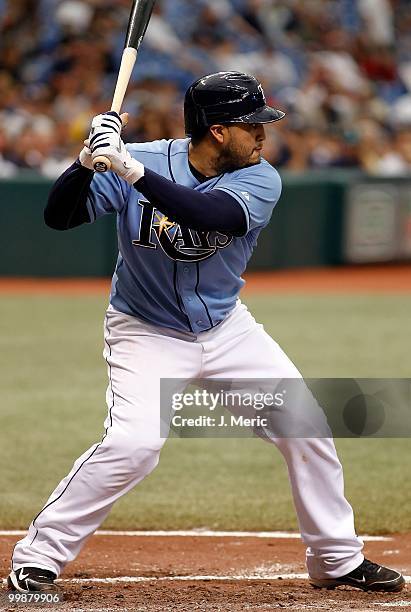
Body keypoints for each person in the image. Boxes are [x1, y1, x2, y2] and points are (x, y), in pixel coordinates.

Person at [8, 72, 404, 595]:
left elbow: (208, 213)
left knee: (305, 424)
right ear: (217, 130)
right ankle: (37, 558)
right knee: (134, 445)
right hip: (145, 330)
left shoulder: (260, 178)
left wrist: (130, 171)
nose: (264, 136)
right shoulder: (143, 159)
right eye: (251, 126)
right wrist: (83, 165)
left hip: (226, 328)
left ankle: (335, 559)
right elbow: (58, 217)